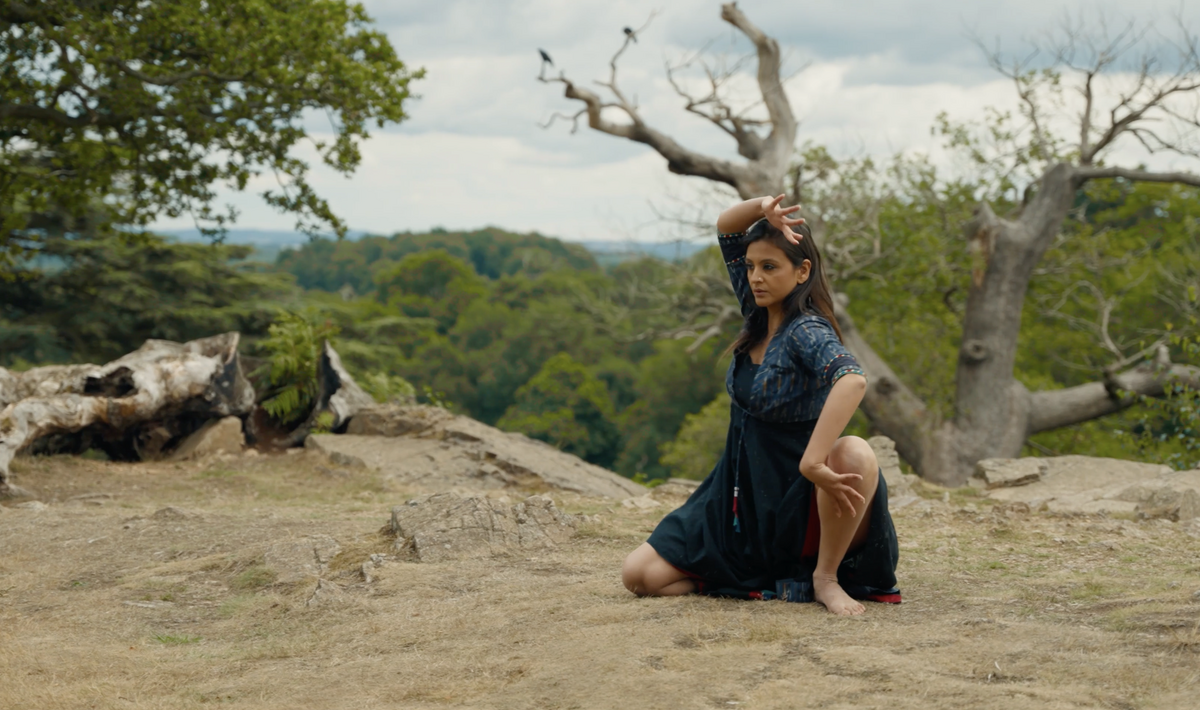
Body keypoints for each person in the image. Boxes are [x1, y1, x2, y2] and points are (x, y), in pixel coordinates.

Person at [620, 195, 901, 616]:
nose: (755, 276)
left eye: (769, 267)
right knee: (639, 576)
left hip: (802, 498)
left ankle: (824, 578)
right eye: (751, 266)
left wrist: (813, 463)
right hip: (741, 494)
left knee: (855, 451)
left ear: (802, 271)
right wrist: (765, 206)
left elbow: (852, 380)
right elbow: (726, 227)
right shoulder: (757, 309)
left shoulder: (806, 328)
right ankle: (741, 575)